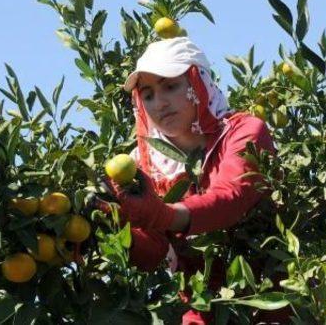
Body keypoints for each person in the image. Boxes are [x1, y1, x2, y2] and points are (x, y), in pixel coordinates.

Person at [108, 36, 288, 324]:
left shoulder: (244, 132)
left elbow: (231, 196)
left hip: (273, 304)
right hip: (202, 311)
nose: (160, 103)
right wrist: (115, 227)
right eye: (148, 94)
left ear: (197, 83)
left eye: (170, 86)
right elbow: (156, 253)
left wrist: (163, 214)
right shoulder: (144, 167)